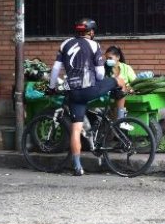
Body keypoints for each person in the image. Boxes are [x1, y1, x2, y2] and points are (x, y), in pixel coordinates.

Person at [48, 17, 123, 176]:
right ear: (91, 32)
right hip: (89, 88)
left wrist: (52, 87)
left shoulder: (64, 44)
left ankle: (77, 167)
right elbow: (101, 73)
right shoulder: (94, 45)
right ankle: (120, 120)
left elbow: (55, 70)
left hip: (73, 92)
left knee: (76, 129)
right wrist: (102, 85)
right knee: (119, 81)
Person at [104, 45, 136, 121]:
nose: (107, 60)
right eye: (106, 58)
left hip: (126, 94)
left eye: (110, 58)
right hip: (111, 95)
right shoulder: (105, 69)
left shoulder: (126, 68)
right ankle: (119, 121)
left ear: (118, 57)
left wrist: (130, 88)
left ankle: (120, 119)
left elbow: (135, 83)